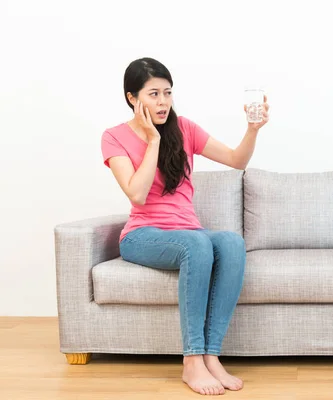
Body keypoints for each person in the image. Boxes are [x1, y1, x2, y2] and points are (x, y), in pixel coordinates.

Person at [100, 57, 269, 395]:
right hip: (143, 235)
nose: (163, 102)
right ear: (132, 98)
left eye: (167, 93)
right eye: (153, 94)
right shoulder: (114, 137)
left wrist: (252, 130)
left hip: (189, 233)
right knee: (197, 244)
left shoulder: (186, 129)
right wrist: (153, 141)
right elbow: (137, 193)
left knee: (232, 243)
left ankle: (210, 355)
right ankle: (191, 360)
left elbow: (237, 161)